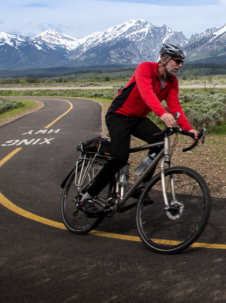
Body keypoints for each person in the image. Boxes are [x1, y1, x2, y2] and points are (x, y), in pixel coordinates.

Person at [79, 43, 199, 213]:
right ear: (164, 59)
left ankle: (140, 186)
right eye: (177, 61)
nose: (180, 65)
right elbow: (146, 92)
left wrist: (189, 129)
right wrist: (161, 113)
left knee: (159, 141)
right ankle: (87, 196)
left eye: (182, 62)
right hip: (119, 115)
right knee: (120, 157)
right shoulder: (145, 68)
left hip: (138, 118)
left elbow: (175, 106)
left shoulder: (172, 82)